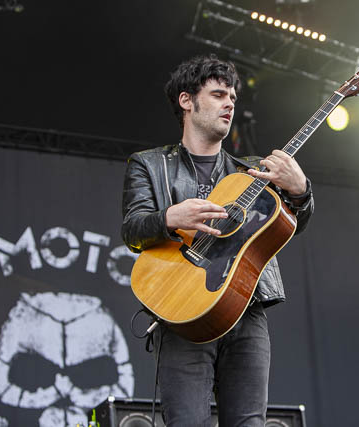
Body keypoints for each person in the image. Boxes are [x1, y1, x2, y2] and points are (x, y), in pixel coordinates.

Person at [121, 54, 314, 426]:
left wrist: (302, 191)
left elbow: (293, 224)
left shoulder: (254, 170)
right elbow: (132, 228)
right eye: (218, 94)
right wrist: (169, 217)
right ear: (186, 100)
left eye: (233, 98)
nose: (230, 103)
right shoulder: (149, 164)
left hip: (246, 307)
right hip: (182, 311)